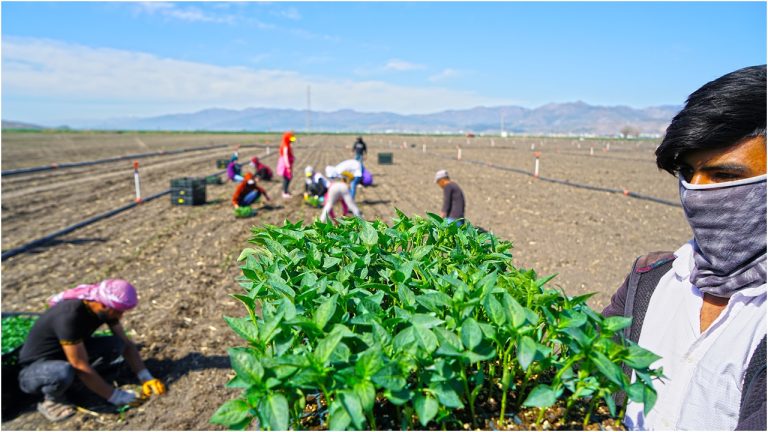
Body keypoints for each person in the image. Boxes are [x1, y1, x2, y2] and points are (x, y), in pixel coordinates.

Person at [602, 65, 766, 431]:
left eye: (724, 176)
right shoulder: (652, 279)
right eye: (688, 174)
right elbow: (588, 372)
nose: (695, 193)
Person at [17, 280, 165, 422]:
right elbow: (79, 365)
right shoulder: (70, 316)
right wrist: (115, 396)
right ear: (102, 305)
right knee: (63, 372)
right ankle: (52, 401)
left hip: (66, 356)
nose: (120, 316)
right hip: (36, 370)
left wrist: (145, 376)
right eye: (118, 312)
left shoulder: (103, 308)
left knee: (116, 345)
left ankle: (82, 383)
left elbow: (126, 343)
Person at [276, 131, 296, 198]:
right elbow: (285, 156)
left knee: (288, 177)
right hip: (285, 164)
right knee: (287, 178)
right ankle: (284, 192)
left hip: (287, 163)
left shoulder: (287, 145)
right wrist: (288, 166)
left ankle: (286, 191)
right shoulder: (285, 146)